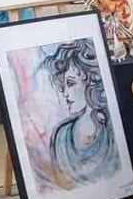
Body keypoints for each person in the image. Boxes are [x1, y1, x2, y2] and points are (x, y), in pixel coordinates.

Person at [45, 39, 119, 187]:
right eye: (63, 85)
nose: (65, 93)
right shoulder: (61, 136)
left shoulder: (112, 129)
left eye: (71, 83)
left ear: (91, 83)